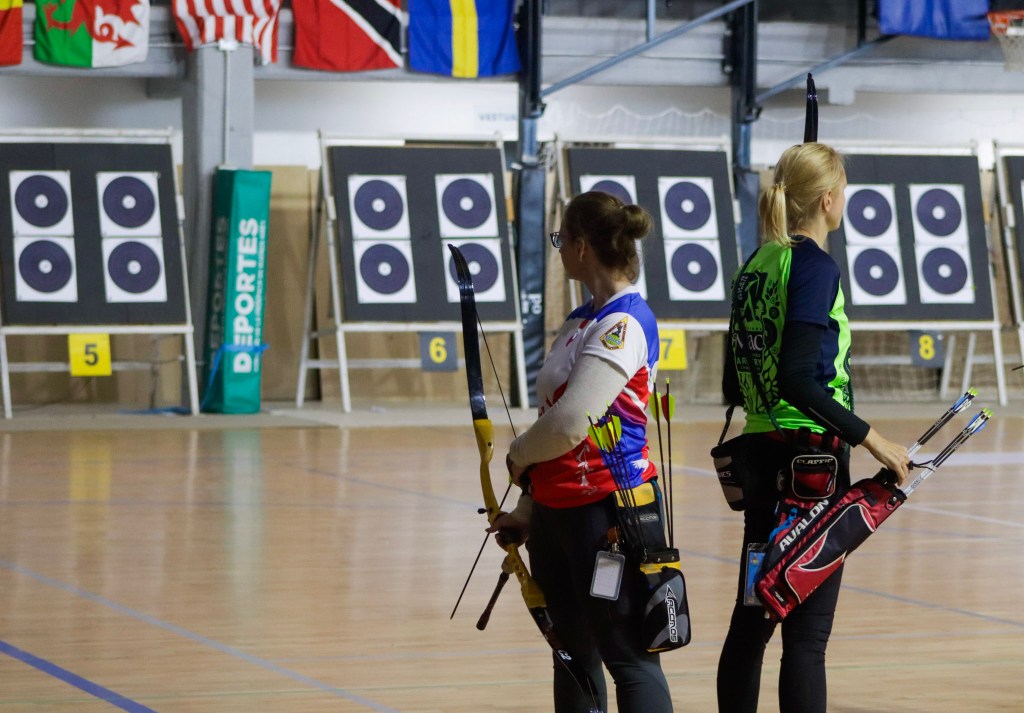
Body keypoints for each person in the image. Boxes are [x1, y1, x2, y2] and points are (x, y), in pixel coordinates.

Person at [716, 142, 911, 713]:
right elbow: (799, 379)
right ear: (828, 199)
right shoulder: (814, 266)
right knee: (806, 637)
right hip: (811, 468)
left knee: (753, 618)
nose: (844, 199)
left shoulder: (758, 263)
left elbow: (734, 379)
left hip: (761, 455)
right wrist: (874, 440)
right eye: (842, 190)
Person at [489, 190, 674, 713]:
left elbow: (572, 424)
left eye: (561, 240)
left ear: (582, 246)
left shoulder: (624, 323)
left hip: (611, 513)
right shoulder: (579, 321)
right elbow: (554, 419)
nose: (560, 250)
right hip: (557, 513)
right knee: (571, 656)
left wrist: (517, 456)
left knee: (630, 658)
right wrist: (528, 508)